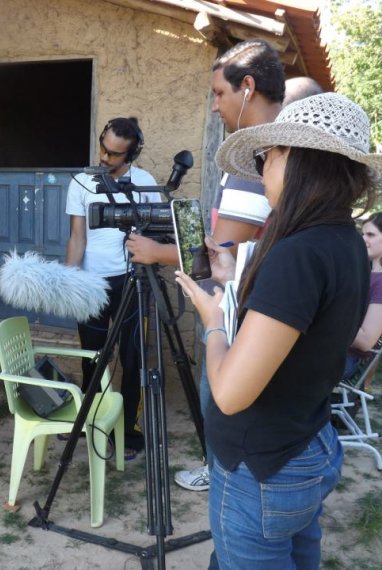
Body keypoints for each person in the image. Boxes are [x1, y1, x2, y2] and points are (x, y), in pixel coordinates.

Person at [176, 92, 380, 569]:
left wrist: (212, 324)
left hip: (261, 465)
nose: (263, 168)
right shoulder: (345, 241)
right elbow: (303, 321)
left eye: (267, 156)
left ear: (294, 158)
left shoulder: (298, 252)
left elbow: (228, 394)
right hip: (307, 445)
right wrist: (235, 279)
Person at [127, 39, 286, 492]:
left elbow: (224, 254)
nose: (215, 106)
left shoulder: (258, 163)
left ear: (248, 88)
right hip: (255, 311)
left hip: (237, 315)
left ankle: (222, 476)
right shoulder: (268, 156)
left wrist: (157, 254)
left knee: (219, 398)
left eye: (219, 93)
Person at [65, 117, 161, 459]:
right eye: (103, 148)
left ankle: (128, 432)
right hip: (91, 282)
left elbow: (154, 237)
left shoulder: (145, 182)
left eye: (115, 154)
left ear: (131, 154)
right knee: (93, 356)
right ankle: (92, 421)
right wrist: (70, 281)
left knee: (133, 357)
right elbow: (77, 237)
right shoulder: (80, 182)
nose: (105, 158)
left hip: (132, 281)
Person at [344, 213, 382, 382]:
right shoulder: (365, 273)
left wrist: (325, 326)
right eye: (363, 233)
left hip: (347, 360)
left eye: (371, 235)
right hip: (334, 352)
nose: (363, 238)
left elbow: (366, 340)